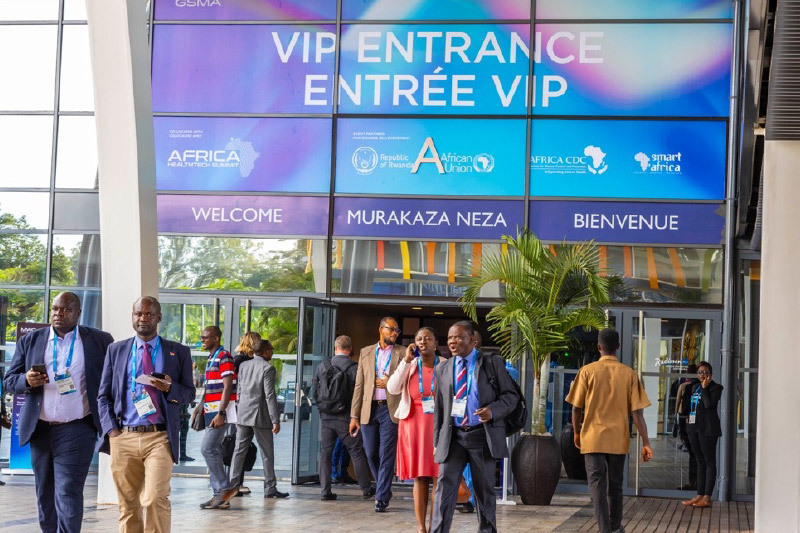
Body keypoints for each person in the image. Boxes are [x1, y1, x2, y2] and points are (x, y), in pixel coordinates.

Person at [3, 291, 113, 533]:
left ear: (78, 313)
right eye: (54, 309)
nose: (58, 313)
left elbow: (113, 380)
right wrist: (27, 381)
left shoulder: (99, 341)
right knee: (45, 492)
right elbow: (9, 380)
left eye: (65, 309)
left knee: (68, 489)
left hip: (78, 428)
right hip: (40, 429)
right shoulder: (31, 341)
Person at [97, 296, 195, 533]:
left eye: (149, 314)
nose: (143, 318)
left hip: (159, 437)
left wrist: (170, 388)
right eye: (138, 314)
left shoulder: (178, 352)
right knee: (128, 505)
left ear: (158, 317)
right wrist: (112, 431)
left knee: (154, 499)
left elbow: (189, 394)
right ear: (132, 317)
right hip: (124, 436)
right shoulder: (116, 350)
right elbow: (103, 396)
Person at [430, 321, 519, 533]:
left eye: (458, 337)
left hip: (481, 436)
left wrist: (492, 411)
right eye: (450, 337)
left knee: (484, 491)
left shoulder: (492, 363)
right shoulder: (442, 368)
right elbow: (439, 410)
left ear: (472, 340)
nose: (452, 341)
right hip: (453, 437)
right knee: (444, 490)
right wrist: (436, 442)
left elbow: (511, 396)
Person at [566, 328, 653, 533]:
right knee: (615, 486)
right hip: (617, 439)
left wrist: (577, 432)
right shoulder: (629, 374)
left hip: (593, 438)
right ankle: (615, 528)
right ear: (618, 347)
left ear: (598, 347)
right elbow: (637, 414)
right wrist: (646, 442)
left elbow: (576, 408)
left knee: (596, 485)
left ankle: (605, 529)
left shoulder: (587, 372)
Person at [387, 327, 441, 533]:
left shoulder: (444, 365)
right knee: (420, 476)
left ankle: (435, 524)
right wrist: (406, 361)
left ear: (436, 343)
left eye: (427, 338)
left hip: (436, 425)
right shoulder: (410, 365)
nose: (423, 342)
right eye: (419, 339)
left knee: (438, 475)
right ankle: (421, 527)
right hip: (413, 424)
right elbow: (392, 388)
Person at [349, 317, 405, 512]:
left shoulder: (403, 353)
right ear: (381, 329)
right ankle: (384, 487)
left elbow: (407, 381)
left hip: (390, 409)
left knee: (386, 453)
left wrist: (391, 382)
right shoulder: (366, 352)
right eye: (392, 330)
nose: (395, 334)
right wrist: (354, 416)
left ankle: (381, 497)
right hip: (368, 409)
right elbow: (359, 385)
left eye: (397, 331)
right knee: (371, 452)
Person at [314, 335, 374, 501]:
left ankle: (325, 491)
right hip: (347, 417)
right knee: (356, 452)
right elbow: (359, 394)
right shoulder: (354, 368)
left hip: (326, 417)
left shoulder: (322, 366)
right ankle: (366, 489)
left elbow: (315, 392)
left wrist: (323, 410)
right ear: (350, 348)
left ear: (335, 348)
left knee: (325, 453)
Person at [229, 339, 289, 499]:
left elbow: (239, 389)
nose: (273, 351)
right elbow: (269, 395)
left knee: (239, 451)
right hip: (259, 416)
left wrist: (238, 409)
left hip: (242, 414)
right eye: (271, 349)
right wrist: (275, 419)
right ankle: (270, 488)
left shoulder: (244, 365)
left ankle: (233, 486)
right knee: (267, 453)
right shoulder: (268, 368)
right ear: (265, 351)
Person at [195, 325, 239, 509]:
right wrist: (200, 406)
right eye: (202, 337)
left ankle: (225, 488)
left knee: (207, 448)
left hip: (221, 411)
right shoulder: (212, 357)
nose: (202, 340)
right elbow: (211, 386)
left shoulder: (224, 356)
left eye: (205, 338)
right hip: (211, 409)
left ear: (216, 339)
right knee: (214, 450)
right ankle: (219, 497)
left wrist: (221, 413)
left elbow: (227, 387)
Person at [681, 361, 724, 509]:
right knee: (699, 461)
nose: (702, 374)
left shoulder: (716, 388)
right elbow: (692, 407)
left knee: (709, 462)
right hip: (694, 427)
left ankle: (707, 497)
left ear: (711, 373)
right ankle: (699, 495)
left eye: (705, 371)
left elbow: (708, 405)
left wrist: (705, 388)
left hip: (708, 429)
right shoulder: (694, 387)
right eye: (700, 372)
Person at [231, 331, 261, 495]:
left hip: (241, 407)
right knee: (239, 446)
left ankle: (236, 482)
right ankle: (235, 482)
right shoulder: (242, 361)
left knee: (241, 446)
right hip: (241, 408)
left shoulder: (242, 360)